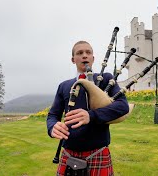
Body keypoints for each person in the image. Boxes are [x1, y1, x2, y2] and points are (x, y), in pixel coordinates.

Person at [47, 40, 129, 176]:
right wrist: (52, 127)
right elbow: (52, 115)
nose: (84, 55)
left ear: (93, 58)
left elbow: (122, 106)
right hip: (68, 151)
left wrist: (91, 115)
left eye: (88, 52)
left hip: (97, 151)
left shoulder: (105, 79)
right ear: (73, 60)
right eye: (80, 53)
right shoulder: (64, 86)